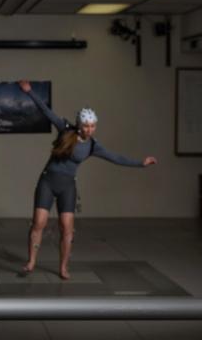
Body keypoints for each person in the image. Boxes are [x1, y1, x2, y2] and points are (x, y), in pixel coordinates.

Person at [18, 80, 156, 280]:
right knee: (39, 223)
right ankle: (31, 262)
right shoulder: (65, 130)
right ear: (79, 124)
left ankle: (63, 268)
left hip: (67, 186)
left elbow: (115, 157)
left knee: (67, 227)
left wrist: (140, 163)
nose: (90, 129)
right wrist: (29, 92)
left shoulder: (93, 146)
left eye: (93, 126)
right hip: (48, 181)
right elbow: (46, 111)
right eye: (87, 125)